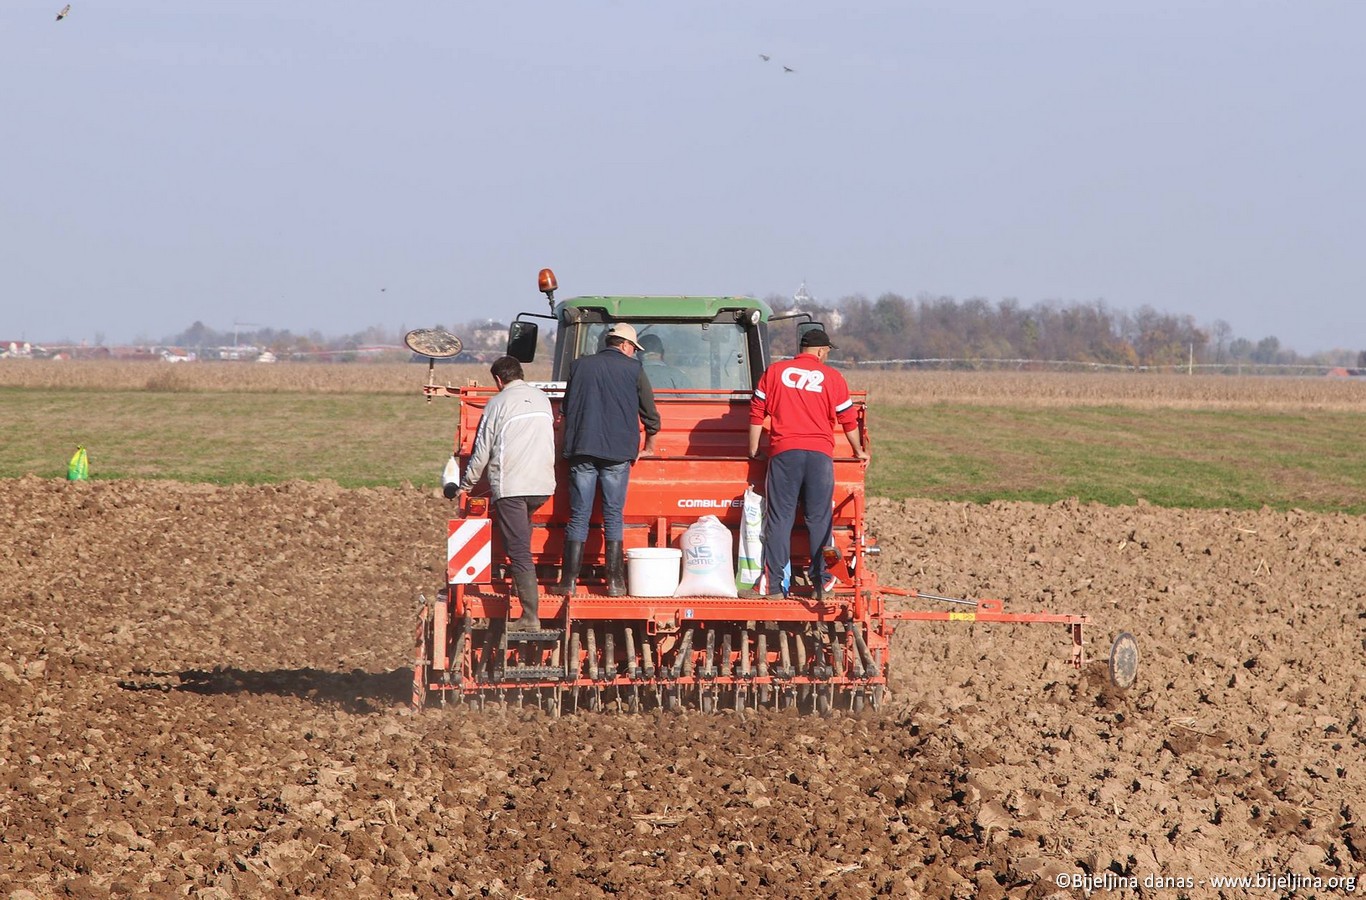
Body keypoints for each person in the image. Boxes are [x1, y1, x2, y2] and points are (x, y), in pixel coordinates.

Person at [746, 329, 867, 599]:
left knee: (779, 520)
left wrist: (754, 448)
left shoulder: (775, 372)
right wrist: (859, 450)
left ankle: (774, 586)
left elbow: (756, 411)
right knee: (820, 521)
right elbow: (848, 419)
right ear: (822, 351)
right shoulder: (834, 378)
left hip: (784, 454)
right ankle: (822, 582)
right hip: (819, 457)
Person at [551, 322, 661, 597]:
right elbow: (650, 414)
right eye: (634, 348)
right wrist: (648, 445)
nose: (634, 353)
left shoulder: (579, 366)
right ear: (625, 345)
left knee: (579, 515)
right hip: (617, 453)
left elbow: (565, 411)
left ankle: (568, 582)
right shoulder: (634, 369)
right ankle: (615, 583)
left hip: (582, 450)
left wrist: (560, 450)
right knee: (613, 515)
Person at [457, 356, 557, 629]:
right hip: (543, 486)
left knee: (519, 550)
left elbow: (481, 453)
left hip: (513, 487)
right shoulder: (542, 399)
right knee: (522, 532)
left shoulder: (497, 404)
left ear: (499, 380)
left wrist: (465, 486)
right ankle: (522, 594)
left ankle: (529, 617)